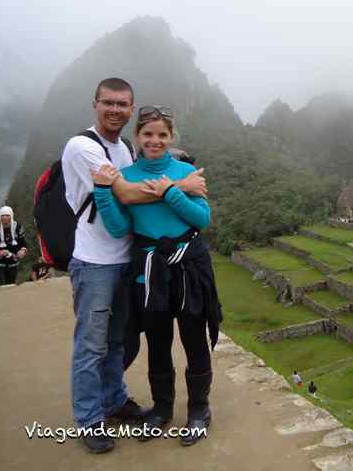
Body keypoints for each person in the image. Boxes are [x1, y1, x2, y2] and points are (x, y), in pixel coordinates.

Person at [63, 78, 207, 454]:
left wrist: (177, 181)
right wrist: (179, 186)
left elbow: (197, 215)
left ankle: (128, 402)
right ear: (95, 103)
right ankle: (94, 418)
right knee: (98, 344)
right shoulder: (83, 147)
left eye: (122, 104)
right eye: (108, 102)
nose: (115, 109)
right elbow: (122, 200)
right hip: (96, 262)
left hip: (137, 262)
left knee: (121, 340)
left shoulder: (124, 151)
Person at [92, 104, 221, 447]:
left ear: (171, 137)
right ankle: (162, 409)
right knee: (158, 344)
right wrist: (104, 192)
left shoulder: (186, 171)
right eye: (148, 134)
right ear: (137, 137)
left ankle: (198, 410)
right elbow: (120, 227)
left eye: (162, 134)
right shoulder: (126, 177)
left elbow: (201, 219)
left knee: (194, 340)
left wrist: (171, 192)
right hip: (149, 268)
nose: (155, 140)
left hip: (187, 266)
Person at [0, 205, 27, 285]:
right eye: (3, 215)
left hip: (13, 263)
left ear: (11, 216)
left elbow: (23, 243)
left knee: (10, 286)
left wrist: (22, 251)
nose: (5, 217)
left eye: (7, 215)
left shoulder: (18, 227)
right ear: (0, 217)